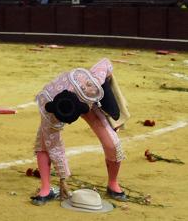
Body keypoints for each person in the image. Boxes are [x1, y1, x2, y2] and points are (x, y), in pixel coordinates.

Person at [30, 58, 128, 206]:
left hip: (89, 99)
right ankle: (45, 189)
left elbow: (106, 63)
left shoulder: (90, 82)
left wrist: (107, 90)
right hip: (60, 104)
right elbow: (55, 148)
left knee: (112, 144)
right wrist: (63, 178)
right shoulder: (49, 112)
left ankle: (113, 184)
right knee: (45, 143)